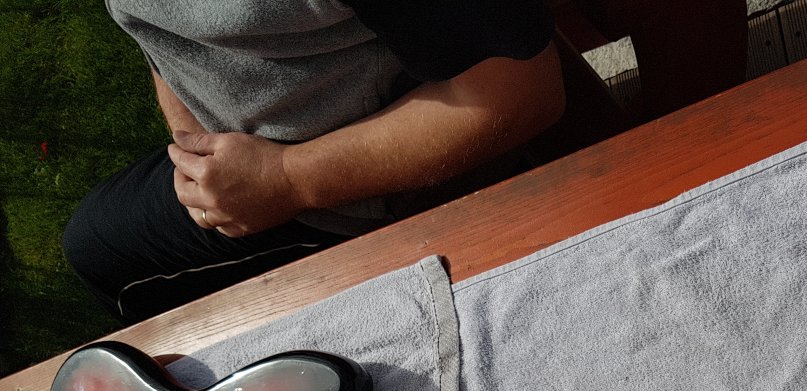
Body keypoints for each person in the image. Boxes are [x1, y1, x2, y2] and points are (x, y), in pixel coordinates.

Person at [64, 1, 565, 323]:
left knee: (103, 256)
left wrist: (287, 179)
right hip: (251, 175)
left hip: (370, 201)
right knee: (97, 245)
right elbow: (159, 30)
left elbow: (522, 91)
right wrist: (192, 145)